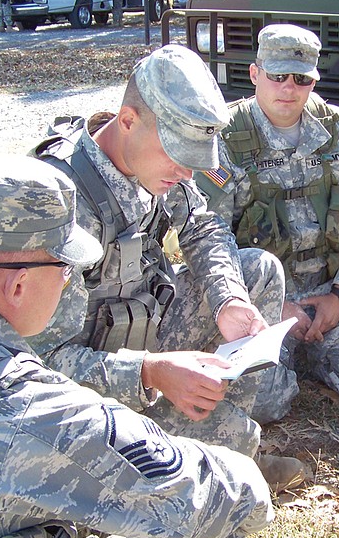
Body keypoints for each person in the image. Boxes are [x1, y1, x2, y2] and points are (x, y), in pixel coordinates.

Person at [0, 155, 273, 538]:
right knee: (204, 537)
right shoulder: (31, 411)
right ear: (18, 285)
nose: (70, 279)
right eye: (65, 267)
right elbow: (224, 495)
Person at [28, 44, 307, 491]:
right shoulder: (59, 205)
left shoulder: (150, 161)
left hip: (146, 326)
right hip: (86, 388)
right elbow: (43, 367)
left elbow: (201, 226)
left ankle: (224, 440)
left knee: (257, 272)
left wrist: (227, 299)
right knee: (177, 464)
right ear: (127, 122)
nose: (185, 172)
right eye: (177, 156)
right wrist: (151, 373)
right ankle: (215, 450)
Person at [196, 23, 339, 422]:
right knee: (268, 407)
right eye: (276, 76)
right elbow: (208, 237)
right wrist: (274, 306)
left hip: (328, 289)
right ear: (255, 74)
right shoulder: (224, 140)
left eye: (301, 79)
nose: (288, 88)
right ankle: (290, 356)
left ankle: (311, 348)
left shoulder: (338, 131)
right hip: (262, 300)